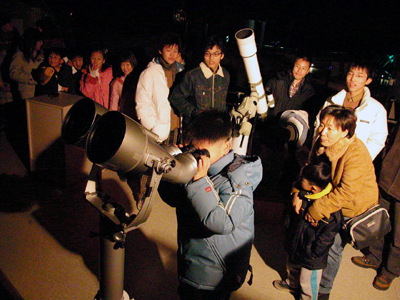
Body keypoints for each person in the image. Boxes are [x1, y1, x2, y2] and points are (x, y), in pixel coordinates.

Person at [158, 109, 262, 300]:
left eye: (203, 152)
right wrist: (173, 171)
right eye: (193, 149)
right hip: (192, 262)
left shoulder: (238, 180)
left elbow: (222, 222)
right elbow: (172, 199)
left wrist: (199, 181)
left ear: (226, 146)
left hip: (215, 276)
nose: (198, 157)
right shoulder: (197, 169)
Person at [293, 105, 379, 299]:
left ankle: (323, 292)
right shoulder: (321, 141)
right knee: (308, 240)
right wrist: (298, 191)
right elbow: (309, 169)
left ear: (345, 132)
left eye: (330, 128)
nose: (323, 132)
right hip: (328, 198)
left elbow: (347, 192)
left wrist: (317, 208)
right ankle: (297, 280)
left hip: (350, 207)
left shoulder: (355, 153)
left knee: (331, 248)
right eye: (322, 125)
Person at [273, 161, 343, 300]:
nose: (299, 180)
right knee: (293, 267)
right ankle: (292, 284)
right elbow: (290, 214)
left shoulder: (329, 211)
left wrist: (314, 253)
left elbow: (326, 237)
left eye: (302, 179)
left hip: (312, 256)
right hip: (296, 243)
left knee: (308, 282)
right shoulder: (302, 194)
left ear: (314, 188)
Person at [351, 117, 400, 291]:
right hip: (389, 174)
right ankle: (374, 256)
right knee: (379, 219)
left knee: (399, 235)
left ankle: (390, 271)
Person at [314, 61, 388, 160]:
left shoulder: (376, 109)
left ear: (368, 80)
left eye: (359, 76)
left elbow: (377, 139)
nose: (353, 79)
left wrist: (361, 160)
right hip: (325, 158)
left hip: (354, 160)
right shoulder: (332, 101)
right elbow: (318, 124)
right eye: (350, 73)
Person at [169, 35, 230, 129]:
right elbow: (176, 98)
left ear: (222, 55)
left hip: (217, 127)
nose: (211, 58)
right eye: (207, 54)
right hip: (197, 127)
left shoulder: (225, 75)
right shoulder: (192, 75)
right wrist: (194, 112)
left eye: (215, 54)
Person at [135, 32, 184, 143]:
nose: (172, 54)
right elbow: (142, 102)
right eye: (168, 50)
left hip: (177, 129)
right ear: (160, 51)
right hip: (158, 130)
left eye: (175, 51)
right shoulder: (150, 72)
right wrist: (153, 127)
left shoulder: (181, 72)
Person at [9, 28, 44, 100]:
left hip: (40, 90)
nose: (41, 43)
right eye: (39, 41)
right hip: (27, 91)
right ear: (32, 41)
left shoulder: (41, 54)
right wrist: (31, 78)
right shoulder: (20, 54)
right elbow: (14, 73)